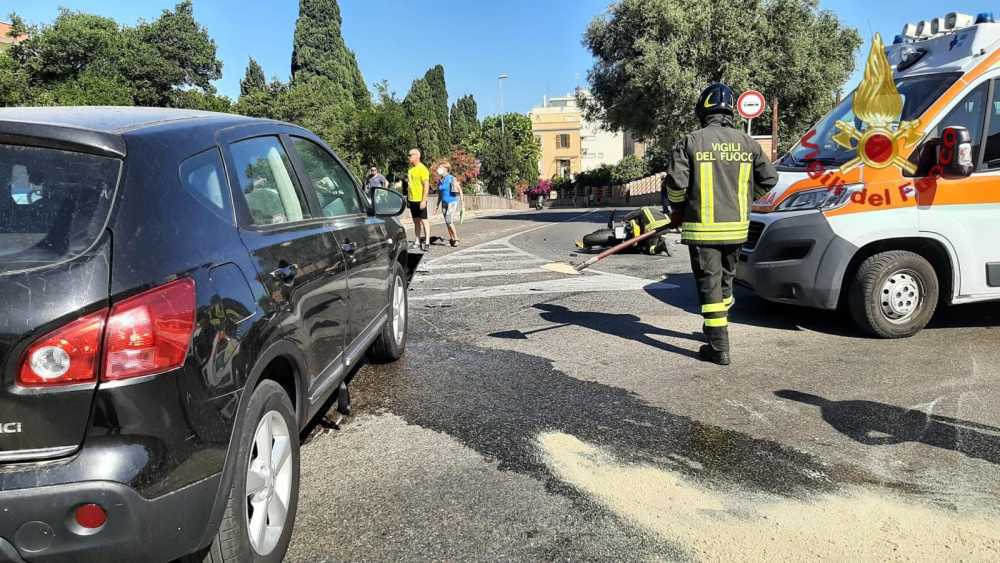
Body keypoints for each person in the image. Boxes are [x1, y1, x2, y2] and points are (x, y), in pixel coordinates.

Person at [664, 83, 778, 365]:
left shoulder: (691, 141)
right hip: (737, 230)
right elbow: (770, 179)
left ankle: (718, 346)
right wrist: (745, 198)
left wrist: (678, 208)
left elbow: (676, 185)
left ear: (702, 109)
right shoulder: (748, 143)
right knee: (726, 283)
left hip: (703, 230)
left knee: (710, 288)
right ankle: (714, 327)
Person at [406, 149, 431, 251]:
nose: (408, 157)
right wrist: (408, 199)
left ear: (416, 156)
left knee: (424, 221)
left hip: (420, 200)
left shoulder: (422, 169)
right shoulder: (410, 169)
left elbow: (426, 185)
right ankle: (417, 241)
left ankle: (427, 242)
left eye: (410, 155)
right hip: (412, 200)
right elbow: (410, 186)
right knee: (416, 221)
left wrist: (424, 200)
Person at [434, 162, 464, 246]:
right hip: (444, 203)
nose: (438, 169)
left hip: (452, 202)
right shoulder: (440, 180)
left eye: (440, 167)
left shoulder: (451, 178)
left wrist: (463, 203)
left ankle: (457, 239)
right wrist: (437, 204)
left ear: (446, 169)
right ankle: (452, 239)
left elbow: (460, 190)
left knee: (449, 220)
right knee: (447, 222)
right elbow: (440, 194)